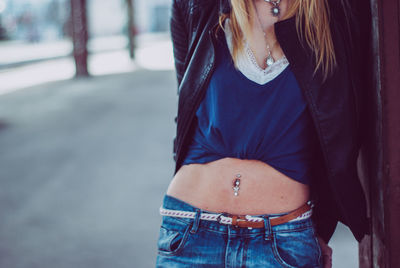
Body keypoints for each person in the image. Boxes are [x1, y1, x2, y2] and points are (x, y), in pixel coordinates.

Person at [156, 0, 370, 267]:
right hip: (190, 233)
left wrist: (320, 225)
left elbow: (344, 133)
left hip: (282, 239)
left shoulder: (336, 12)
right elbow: (186, 112)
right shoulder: (198, 5)